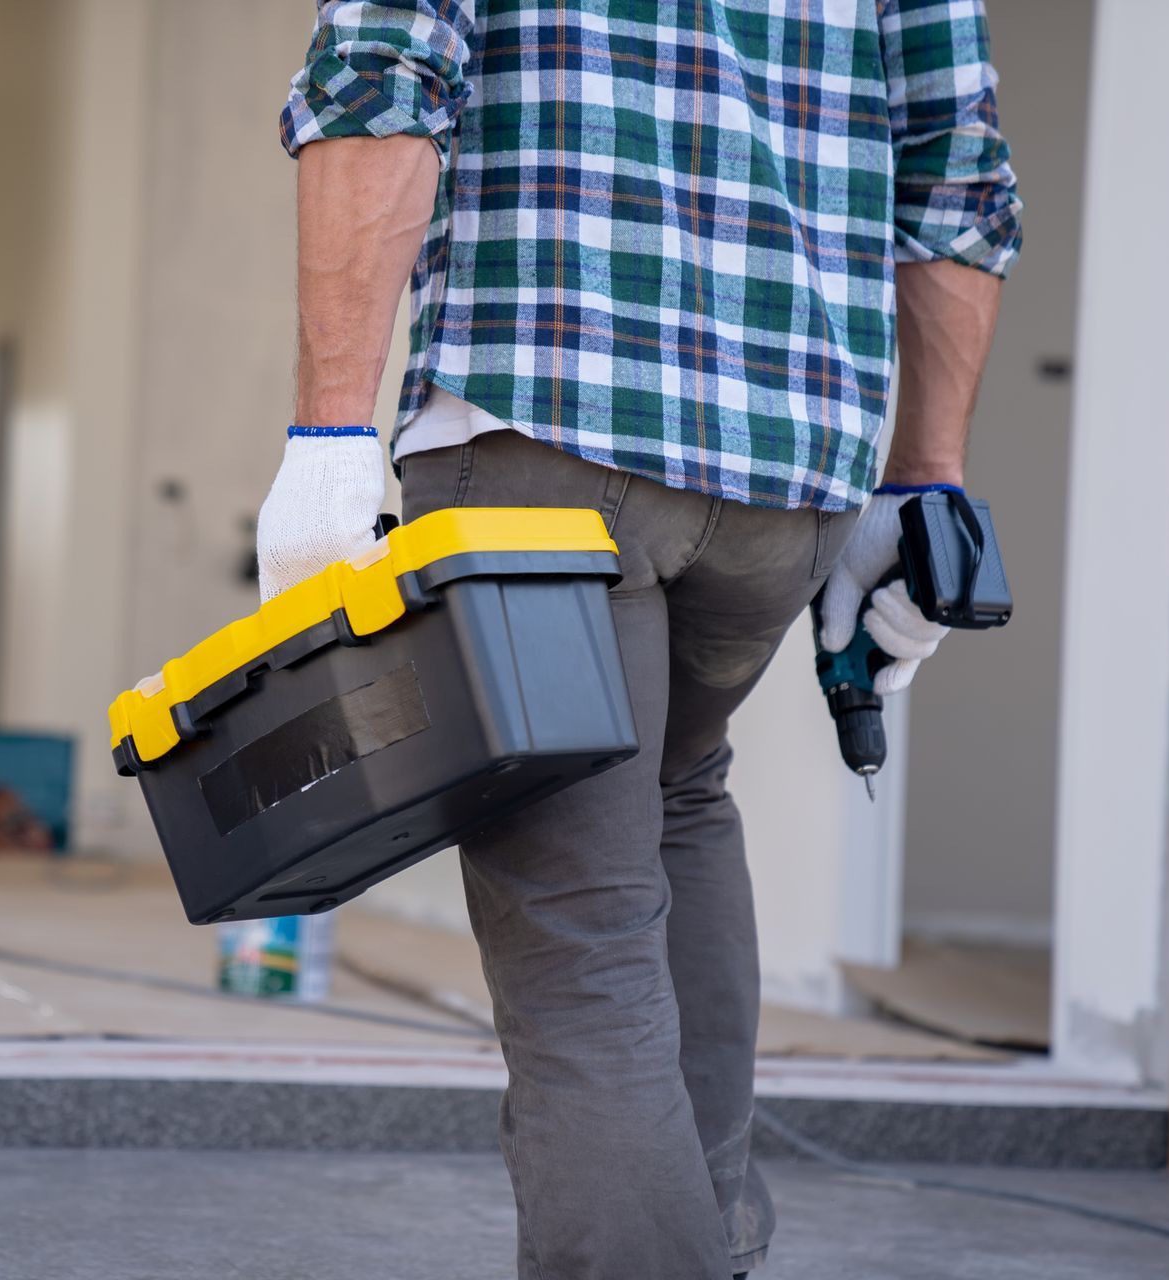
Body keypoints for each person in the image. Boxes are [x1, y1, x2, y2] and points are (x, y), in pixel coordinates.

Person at [255, 2, 1020, 1275]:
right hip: (790, 476)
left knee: (580, 921)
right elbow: (957, 170)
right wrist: (920, 482)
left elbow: (380, 69)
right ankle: (709, 1240)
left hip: (547, 422)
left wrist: (332, 431)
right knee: (676, 793)